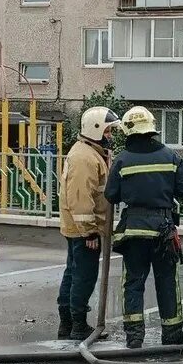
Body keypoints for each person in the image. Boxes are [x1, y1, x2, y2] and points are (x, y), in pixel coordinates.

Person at [104, 106, 183, 349]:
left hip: (134, 231)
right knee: (166, 280)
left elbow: (111, 195)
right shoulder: (171, 157)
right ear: (152, 128)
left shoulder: (122, 160)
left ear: (128, 131)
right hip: (163, 230)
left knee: (133, 282)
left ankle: (134, 337)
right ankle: (172, 333)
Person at [57, 106, 120, 340]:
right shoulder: (85, 157)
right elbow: (82, 199)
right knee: (83, 276)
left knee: (73, 274)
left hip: (78, 228)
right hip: (84, 230)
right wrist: (90, 232)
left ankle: (68, 323)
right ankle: (78, 325)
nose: (110, 136)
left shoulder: (89, 152)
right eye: (108, 131)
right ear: (95, 130)